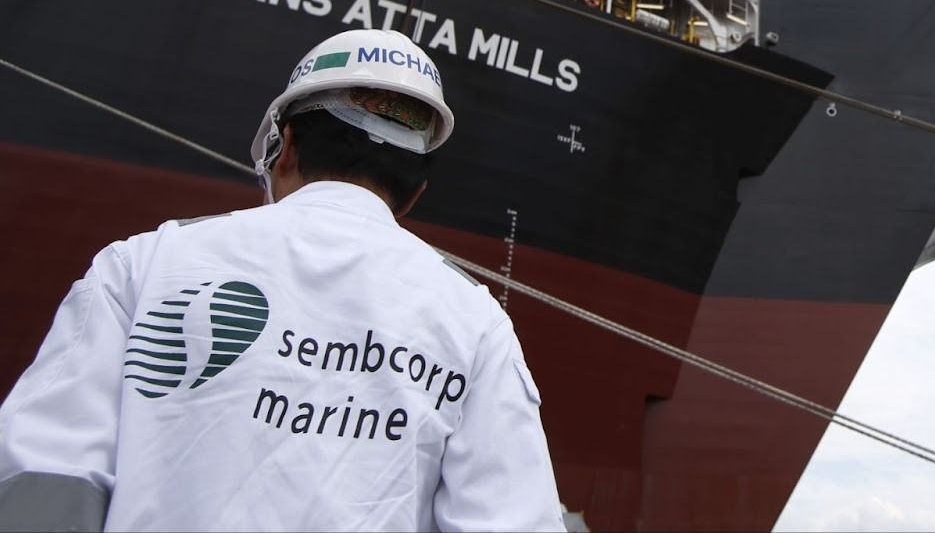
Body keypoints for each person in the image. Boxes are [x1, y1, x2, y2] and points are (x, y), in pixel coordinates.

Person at [0, 28, 564, 531]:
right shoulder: (477, 323)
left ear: (285, 145)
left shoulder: (143, 266)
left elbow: (43, 478)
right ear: (416, 190)